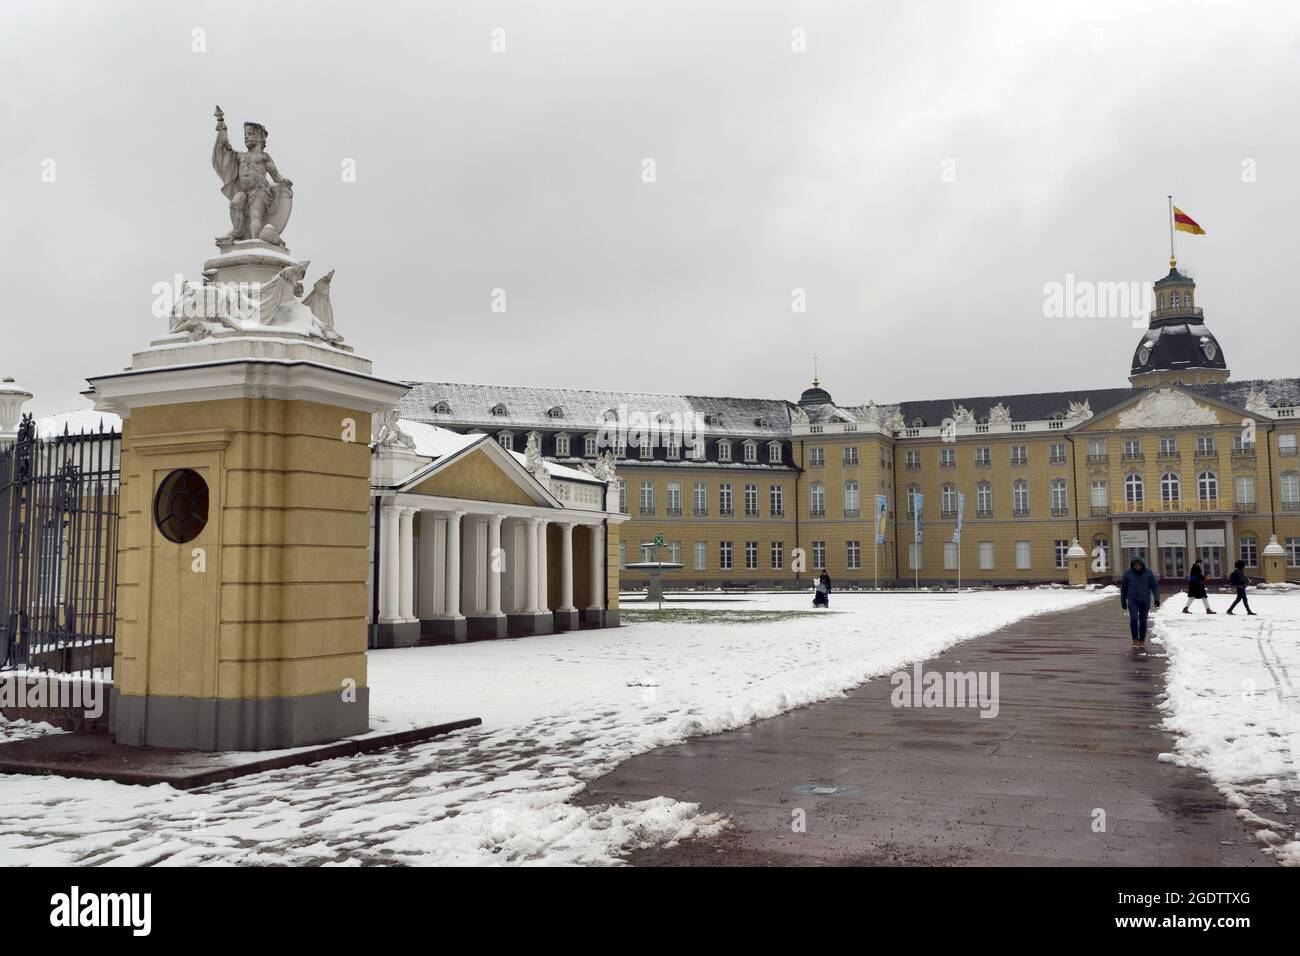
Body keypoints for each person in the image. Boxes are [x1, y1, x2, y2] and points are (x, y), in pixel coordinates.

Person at [1120, 557, 1161, 650]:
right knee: (1134, 619)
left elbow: (1155, 587)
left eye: (1139, 565)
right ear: (1133, 565)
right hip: (1132, 599)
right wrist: (1123, 600)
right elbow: (1124, 589)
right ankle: (1135, 639)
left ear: (1142, 565)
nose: (1137, 567)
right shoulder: (1127, 574)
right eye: (1135, 565)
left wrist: (1157, 599)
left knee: (1143, 620)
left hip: (1145, 600)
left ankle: (1141, 640)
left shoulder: (1148, 573)